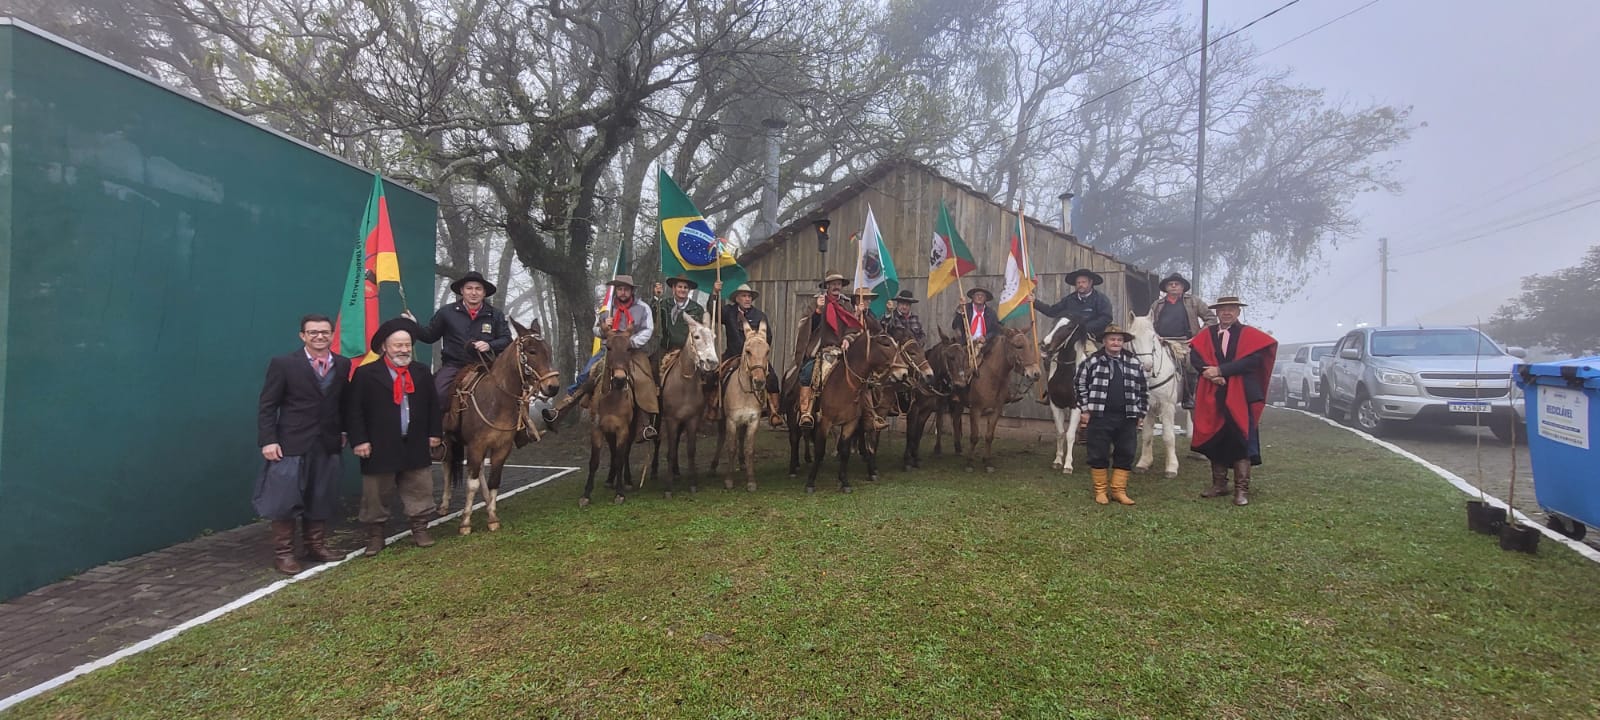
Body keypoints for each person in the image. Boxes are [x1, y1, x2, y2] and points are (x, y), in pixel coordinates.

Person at [254, 314, 351, 574]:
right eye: (313, 332)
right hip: (291, 443)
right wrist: (269, 440)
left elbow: (344, 403)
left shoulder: (342, 365)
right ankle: (283, 554)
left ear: (332, 335)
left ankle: (315, 546)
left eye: (324, 332)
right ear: (302, 336)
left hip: (327, 443)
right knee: (284, 499)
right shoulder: (284, 364)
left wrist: (342, 431)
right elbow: (267, 406)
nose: (319, 336)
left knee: (320, 495)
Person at [345, 317, 443, 556]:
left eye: (407, 344)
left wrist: (434, 433)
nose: (403, 349)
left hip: (415, 441)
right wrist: (359, 440)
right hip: (379, 444)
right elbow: (353, 410)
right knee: (376, 493)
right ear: (384, 348)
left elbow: (433, 405)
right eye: (397, 345)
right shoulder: (366, 374)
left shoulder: (421, 372)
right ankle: (376, 536)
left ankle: (420, 529)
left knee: (420, 488)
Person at [542, 275, 660, 439]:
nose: (623, 292)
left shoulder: (643, 308)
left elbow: (648, 330)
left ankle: (645, 425)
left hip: (632, 350)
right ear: (616, 291)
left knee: (643, 379)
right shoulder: (607, 308)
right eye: (619, 289)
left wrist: (629, 343)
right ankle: (560, 410)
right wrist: (605, 328)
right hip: (609, 350)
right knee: (586, 373)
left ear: (632, 291)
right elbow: (595, 330)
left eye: (626, 289)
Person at [1189, 296, 1278, 506]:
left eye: (1231, 309)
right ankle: (1219, 484)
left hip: (1241, 394)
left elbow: (1253, 361)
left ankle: (1241, 489)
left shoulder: (1249, 334)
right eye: (1223, 310)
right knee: (1215, 437)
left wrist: (1222, 370)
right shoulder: (1207, 334)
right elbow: (1196, 356)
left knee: (1241, 438)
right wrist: (1209, 373)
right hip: (1214, 392)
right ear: (1217, 313)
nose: (1227, 313)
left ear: (1238, 312)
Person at [408, 270, 512, 412]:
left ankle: (523, 430)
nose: (473, 293)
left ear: (484, 293)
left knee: (512, 396)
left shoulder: (496, 315)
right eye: (469, 288)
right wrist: (413, 325)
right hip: (454, 366)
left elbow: (507, 340)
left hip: (487, 366)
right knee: (438, 394)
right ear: (462, 291)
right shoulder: (446, 312)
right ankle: (439, 431)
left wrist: (489, 345)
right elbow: (429, 336)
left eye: (478, 289)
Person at [1074, 324, 1149, 506]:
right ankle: (1100, 490)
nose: (1116, 342)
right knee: (1098, 452)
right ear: (1105, 341)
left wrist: (1141, 412)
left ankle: (1118, 490)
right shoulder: (1092, 361)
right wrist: (1085, 409)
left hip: (1127, 416)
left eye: (1119, 340)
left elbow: (1143, 389)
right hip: (1100, 415)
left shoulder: (1133, 362)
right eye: (1112, 339)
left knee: (1126, 452)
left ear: (1123, 342)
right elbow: (1079, 385)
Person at [792, 272, 862, 427]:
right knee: (807, 373)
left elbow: (853, 326)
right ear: (827, 286)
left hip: (842, 350)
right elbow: (804, 324)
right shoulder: (816, 302)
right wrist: (818, 311)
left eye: (839, 284)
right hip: (820, 350)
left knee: (861, 375)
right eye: (833, 284)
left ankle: (865, 413)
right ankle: (806, 411)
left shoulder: (847, 304)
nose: (836, 286)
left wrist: (847, 339)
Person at [1146, 272, 1216, 409]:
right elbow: (1149, 323)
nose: (1173, 286)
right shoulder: (1157, 304)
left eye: (1176, 284)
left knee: (1190, 363)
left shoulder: (1194, 301)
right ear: (1165, 288)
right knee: (1147, 361)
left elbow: (1211, 319)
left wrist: (1198, 337)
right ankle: (1147, 396)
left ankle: (1188, 396)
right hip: (1162, 342)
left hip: (1185, 342)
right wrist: (1155, 336)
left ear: (1182, 287)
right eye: (1170, 284)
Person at [717, 282, 781, 423]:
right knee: (714, 376)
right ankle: (714, 407)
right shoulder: (728, 312)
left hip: (755, 357)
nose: (747, 299)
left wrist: (759, 351)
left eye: (749, 296)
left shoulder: (760, 315)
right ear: (737, 298)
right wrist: (715, 295)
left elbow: (768, 337)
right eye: (744, 296)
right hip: (733, 354)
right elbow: (714, 312)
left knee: (773, 379)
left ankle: (774, 412)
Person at [1031, 268, 1113, 341]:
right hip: (1069, 338)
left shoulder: (1101, 299)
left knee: (1095, 355)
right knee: (1049, 350)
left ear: (1090, 282)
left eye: (1083, 282)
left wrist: (1084, 328)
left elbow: (1106, 318)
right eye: (1078, 282)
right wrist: (1035, 302)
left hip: (1092, 337)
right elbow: (1052, 311)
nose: (1080, 285)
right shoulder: (1069, 299)